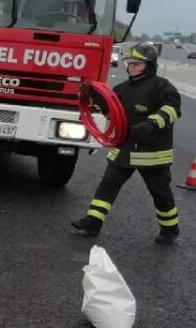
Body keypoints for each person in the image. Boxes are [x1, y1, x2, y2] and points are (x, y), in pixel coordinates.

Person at [71, 42, 182, 244]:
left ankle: (170, 228)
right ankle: (93, 222)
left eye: (137, 64)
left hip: (152, 154)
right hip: (124, 149)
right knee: (107, 186)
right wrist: (93, 95)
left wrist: (150, 124)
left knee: (160, 193)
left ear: (149, 65)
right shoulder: (122, 89)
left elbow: (172, 109)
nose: (131, 67)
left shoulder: (162, 87)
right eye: (130, 63)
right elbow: (109, 110)